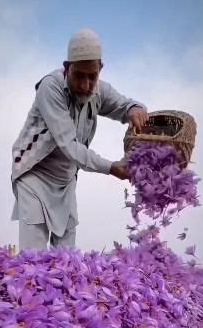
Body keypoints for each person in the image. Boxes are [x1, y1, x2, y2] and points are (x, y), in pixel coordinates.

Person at [11, 28, 148, 250]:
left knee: (66, 259)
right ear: (67, 68)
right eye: (79, 76)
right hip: (35, 175)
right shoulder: (50, 87)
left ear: (100, 69)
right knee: (33, 258)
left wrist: (135, 109)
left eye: (92, 76)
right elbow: (69, 145)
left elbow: (124, 106)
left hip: (66, 182)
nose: (85, 85)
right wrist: (112, 167)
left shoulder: (99, 90)